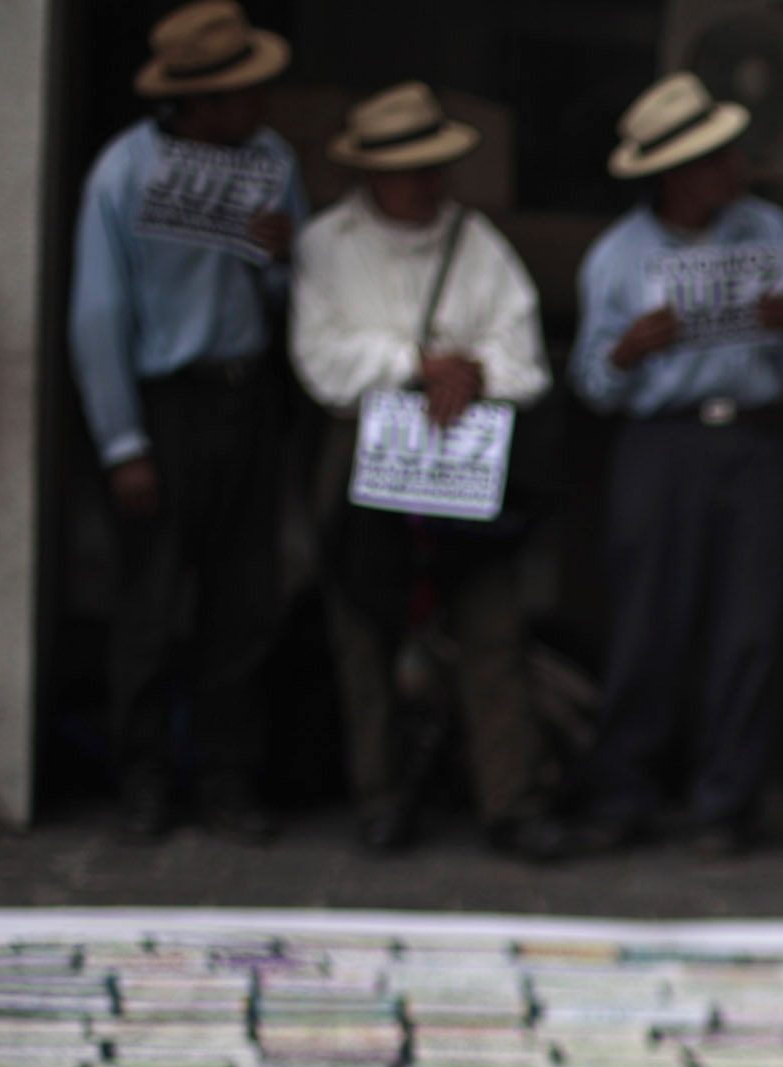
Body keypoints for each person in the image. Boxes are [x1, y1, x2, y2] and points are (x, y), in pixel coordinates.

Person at [289, 82, 556, 861]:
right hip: (363, 445)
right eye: (406, 169)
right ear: (371, 173)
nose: (424, 184)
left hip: (465, 452)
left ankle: (511, 799)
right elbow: (320, 359)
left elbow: (527, 358)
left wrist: (473, 371)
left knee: (490, 627)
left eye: (432, 167)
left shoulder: (479, 245)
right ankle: (380, 795)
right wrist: (414, 364)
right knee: (362, 629)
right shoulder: (327, 245)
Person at [68, 1, 308, 844]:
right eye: (242, 94)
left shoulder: (273, 162)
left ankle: (228, 778)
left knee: (242, 598)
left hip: (244, 394)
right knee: (151, 599)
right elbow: (98, 313)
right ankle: (141, 777)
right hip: (163, 402)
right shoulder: (124, 173)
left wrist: (279, 261)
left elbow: (293, 297)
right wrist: (121, 439)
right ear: (196, 102)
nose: (259, 108)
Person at [571, 72, 783, 856]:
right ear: (674, 173)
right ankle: (623, 791)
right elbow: (590, 382)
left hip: (750, 440)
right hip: (662, 443)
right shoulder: (619, 256)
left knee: (745, 626)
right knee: (650, 620)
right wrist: (629, 349)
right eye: (714, 158)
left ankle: (724, 802)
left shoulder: (768, 229)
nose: (733, 168)